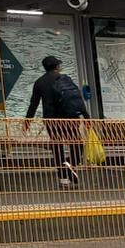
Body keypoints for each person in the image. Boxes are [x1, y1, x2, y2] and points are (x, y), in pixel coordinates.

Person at [24, 55, 88, 187]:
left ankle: (63, 177)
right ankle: (70, 164)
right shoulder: (65, 79)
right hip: (69, 118)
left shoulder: (39, 82)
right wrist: (86, 117)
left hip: (51, 120)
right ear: (57, 67)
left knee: (57, 147)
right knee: (77, 145)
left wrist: (27, 121)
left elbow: (33, 104)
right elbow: (76, 98)